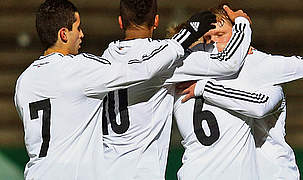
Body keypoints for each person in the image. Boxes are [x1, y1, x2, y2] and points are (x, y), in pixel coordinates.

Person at [13, 0, 206, 179]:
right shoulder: (80, 68)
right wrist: (186, 35)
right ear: (63, 34)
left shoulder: (24, 81)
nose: (82, 34)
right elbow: (139, 70)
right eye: (77, 28)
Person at [101, 1, 252, 179]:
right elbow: (228, 63)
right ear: (156, 21)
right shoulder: (164, 62)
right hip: (142, 172)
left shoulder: (104, 59)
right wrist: (242, 23)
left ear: (120, 22)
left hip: (104, 168)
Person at [175, 4, 303, 180]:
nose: (215, 42)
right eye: (209, 38)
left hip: (275, 172)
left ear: (238, 36)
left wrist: (203, 88)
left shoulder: (257, 64)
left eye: (221, 35)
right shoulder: (206, 68)